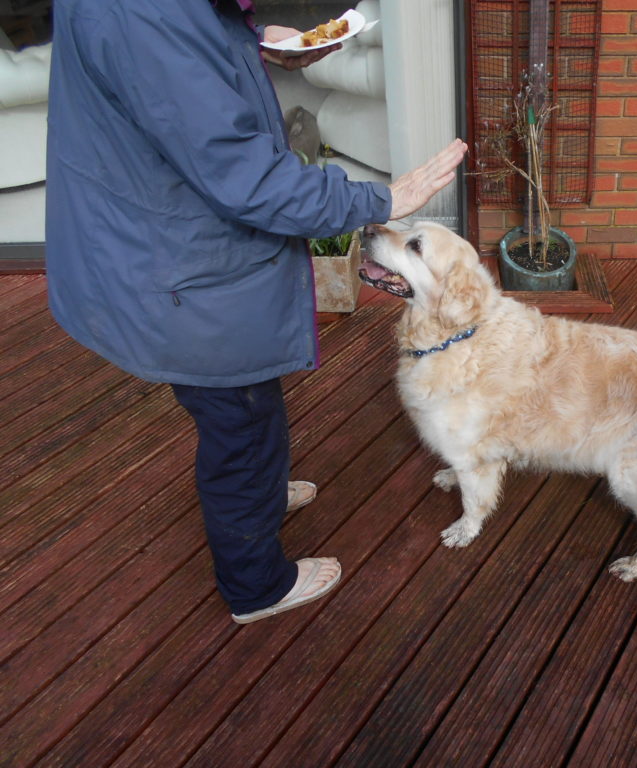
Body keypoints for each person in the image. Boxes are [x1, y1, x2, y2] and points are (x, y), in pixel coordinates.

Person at [45, 0, 468, 624]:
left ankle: (262, 497)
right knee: (240, 423)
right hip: (180, 267)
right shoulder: (145, 14)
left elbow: (176, 79)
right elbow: (244, 175)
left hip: (170, 250)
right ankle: (256, 586)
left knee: (248, 405)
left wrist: (247, 40)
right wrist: (381, 197)